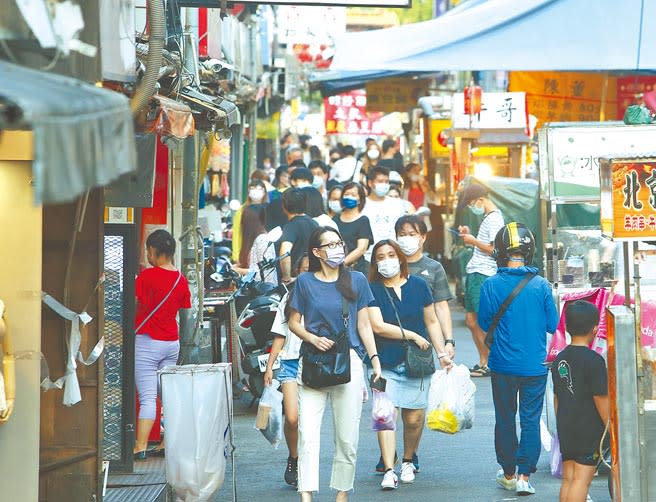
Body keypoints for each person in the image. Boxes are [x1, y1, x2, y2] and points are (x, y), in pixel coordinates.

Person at [288, 227, 382, 501]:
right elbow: (294, 322)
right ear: (316, 252)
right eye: (329, 245)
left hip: (348, 360)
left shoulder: (357, 280)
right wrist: (312, 338)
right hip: (314, 361)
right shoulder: (304, 282)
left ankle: (342, 493)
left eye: (339, 243)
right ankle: (306, 493)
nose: (337, 249)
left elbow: (364, 324)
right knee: (308, 433)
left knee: (347, 436)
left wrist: (374, 360)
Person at [478, 222, 559, 496]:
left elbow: (484, 321)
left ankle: (509, 473)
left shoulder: (490, 285)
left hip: (502, 365)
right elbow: (553, 324)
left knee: (504, 418)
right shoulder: (542, 286)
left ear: (499, 251)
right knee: (530, 420)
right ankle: (525, 476)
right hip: (535, 366)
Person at [367, 239, 453, 489]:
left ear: (400, 258)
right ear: (375, 263)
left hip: (418, 362)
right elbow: (377, 326)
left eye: (390, 255)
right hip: (384, 362)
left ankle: (407, 460)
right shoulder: (372, 289)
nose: (386, 261)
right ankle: (389, 469)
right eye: (380, 257)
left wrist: (442, 352)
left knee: (414, 418)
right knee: (385, 415)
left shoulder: (419, 286)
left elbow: (432, 322)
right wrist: (414, 336)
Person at [134, 230, 191, 459]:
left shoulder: (147, 277)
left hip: (148, 342)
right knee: (168, 395)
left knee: (148, 396)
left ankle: (140, 447)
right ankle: (168, 442)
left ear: (154, 251)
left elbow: (134, 303)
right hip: (171, 343)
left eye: (148, 250)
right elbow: (185, 313)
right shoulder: (180, 279)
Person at [552, 300, 609, 502]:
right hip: (587, 428)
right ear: (595, 329)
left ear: (566, 327)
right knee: (582, 481)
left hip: (566, 425)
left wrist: (561, 423)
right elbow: (600, 398)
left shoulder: (560, 359)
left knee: (569, 478)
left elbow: (557, 397)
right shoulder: (594, 361)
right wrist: (609, 427)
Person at [264, 256, 310, 487]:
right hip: (290, 362)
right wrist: (270, 366)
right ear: (297, 273)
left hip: (315, 364)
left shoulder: (327, 295)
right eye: (303, 270)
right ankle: (294, 457)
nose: (307, 274)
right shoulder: (289, 297)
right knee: (292, 417)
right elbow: (279, 335)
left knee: (308, 420)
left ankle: (305, 465)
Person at [457, 183, 505, 377]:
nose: (471, 207)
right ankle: (484, 360)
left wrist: (472, 241)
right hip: (477, 272)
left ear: (480, 200)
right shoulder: (489, 218)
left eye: (471, 203)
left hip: (483, 274)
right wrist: (471, 236)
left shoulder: (494, 219)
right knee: (471, 320)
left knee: (479, 320)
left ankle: (489, 362)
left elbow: (495, 250)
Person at [395, 215, 455, 360]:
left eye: (412, 234)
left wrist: (448, 341)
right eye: (402, 235)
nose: (406, 238)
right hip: (391, 335)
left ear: (422, 237)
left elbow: (441, 306)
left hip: (423, 340)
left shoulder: (434, 267)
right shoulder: (389, 265)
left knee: (420, 378)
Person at [361, 166, 405, 263]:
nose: (384, 185)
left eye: (386, 181)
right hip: (369, 258)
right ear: (370, 183)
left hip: (394, 257)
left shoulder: (397, 204)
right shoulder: (362, 206)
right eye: (380, 181)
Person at [279, 188, 319, 284]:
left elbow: (285, 253)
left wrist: (286, 278)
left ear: (284, 206)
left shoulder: (291, 225)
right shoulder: (314, 223)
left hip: (296, 278)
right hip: (313, 277)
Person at [333, 181, 373, 275]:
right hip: (333, 267)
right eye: (346, 194)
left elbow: (361, 249)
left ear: (360, 199)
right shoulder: (335, 219)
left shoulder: (363, 220)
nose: (349, 197)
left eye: (353, 194)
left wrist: (341, 264)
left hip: (355, 269)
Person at [233, 204, 277, 285]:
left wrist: (238, 270)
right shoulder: (254, 239)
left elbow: (262, 273)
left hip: (264, 292)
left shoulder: (262, 239)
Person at [232, 179, 269, 267]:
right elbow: (237, 233)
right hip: (245, 251)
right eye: (253, 188)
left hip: (263, 251)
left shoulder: (268, 208)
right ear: (248, 192)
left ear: (264, 192)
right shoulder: (241, 210)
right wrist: (236, 256)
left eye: (259, 188)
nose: (256, 191)